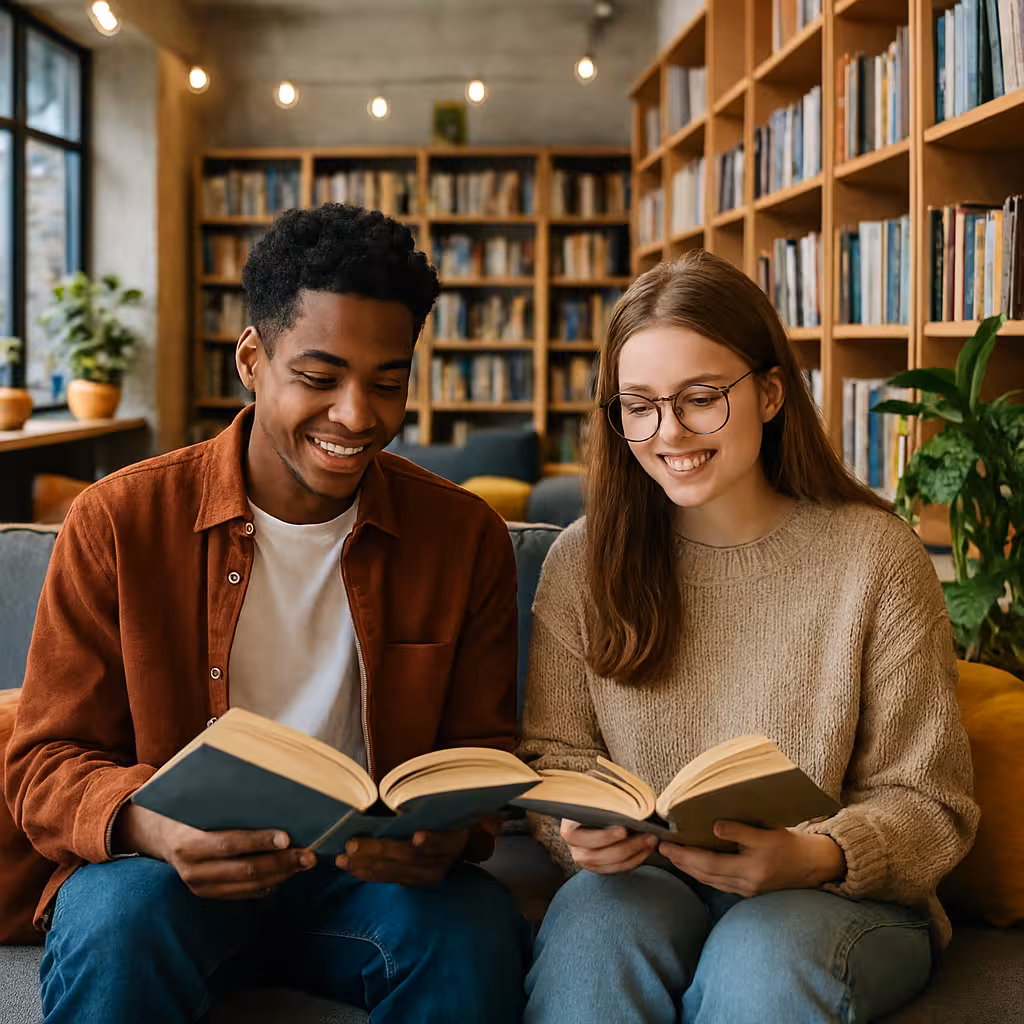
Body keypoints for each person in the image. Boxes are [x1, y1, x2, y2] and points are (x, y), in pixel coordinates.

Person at [5, 204, 530, 1024]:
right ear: (253, 358)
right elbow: (42, 760)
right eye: (319, 379)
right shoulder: (119, 521)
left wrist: (449, 836)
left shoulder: (464, 539)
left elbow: (484, 755)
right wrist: (150, 825)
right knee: (117, 920)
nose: (357, 416)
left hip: (365, 884)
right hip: (170, 874)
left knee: (474, 929)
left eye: (387, 382)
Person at [519, 249, 979, 1023]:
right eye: (639, 405)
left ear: (769, 393)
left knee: (761, 958)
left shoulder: (875, 558)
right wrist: (576, 835)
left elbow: (932, 801)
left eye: (700, 397)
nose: (669, 432)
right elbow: (554, 757)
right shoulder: (581, 562)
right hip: (649, 879)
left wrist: (818, 854)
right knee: (592, 941)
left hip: (834, 894)